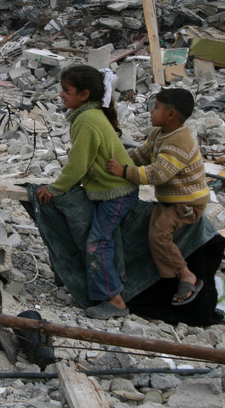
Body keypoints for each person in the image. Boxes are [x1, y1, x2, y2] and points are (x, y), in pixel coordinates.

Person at [36, 65, 138, 319]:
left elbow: (78, 163)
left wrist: (56, 188)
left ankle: (114, 300)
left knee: (97, 243)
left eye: (66, 90)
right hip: (109, 191)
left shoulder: (87, 120)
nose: (61, 95)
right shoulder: (87, 116)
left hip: (116, 193)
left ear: (83, 95)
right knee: (104, 239)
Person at [107, 88, 210, 306]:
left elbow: (158, 174)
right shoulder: (158, 133)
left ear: (171, 114)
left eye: (156, 108)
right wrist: (116, 158)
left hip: (187, 202)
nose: (151, 112)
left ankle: (184, 274)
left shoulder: (179, 141)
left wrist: (124, 172)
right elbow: (140, 155)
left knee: (159, 233)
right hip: (171, 199)